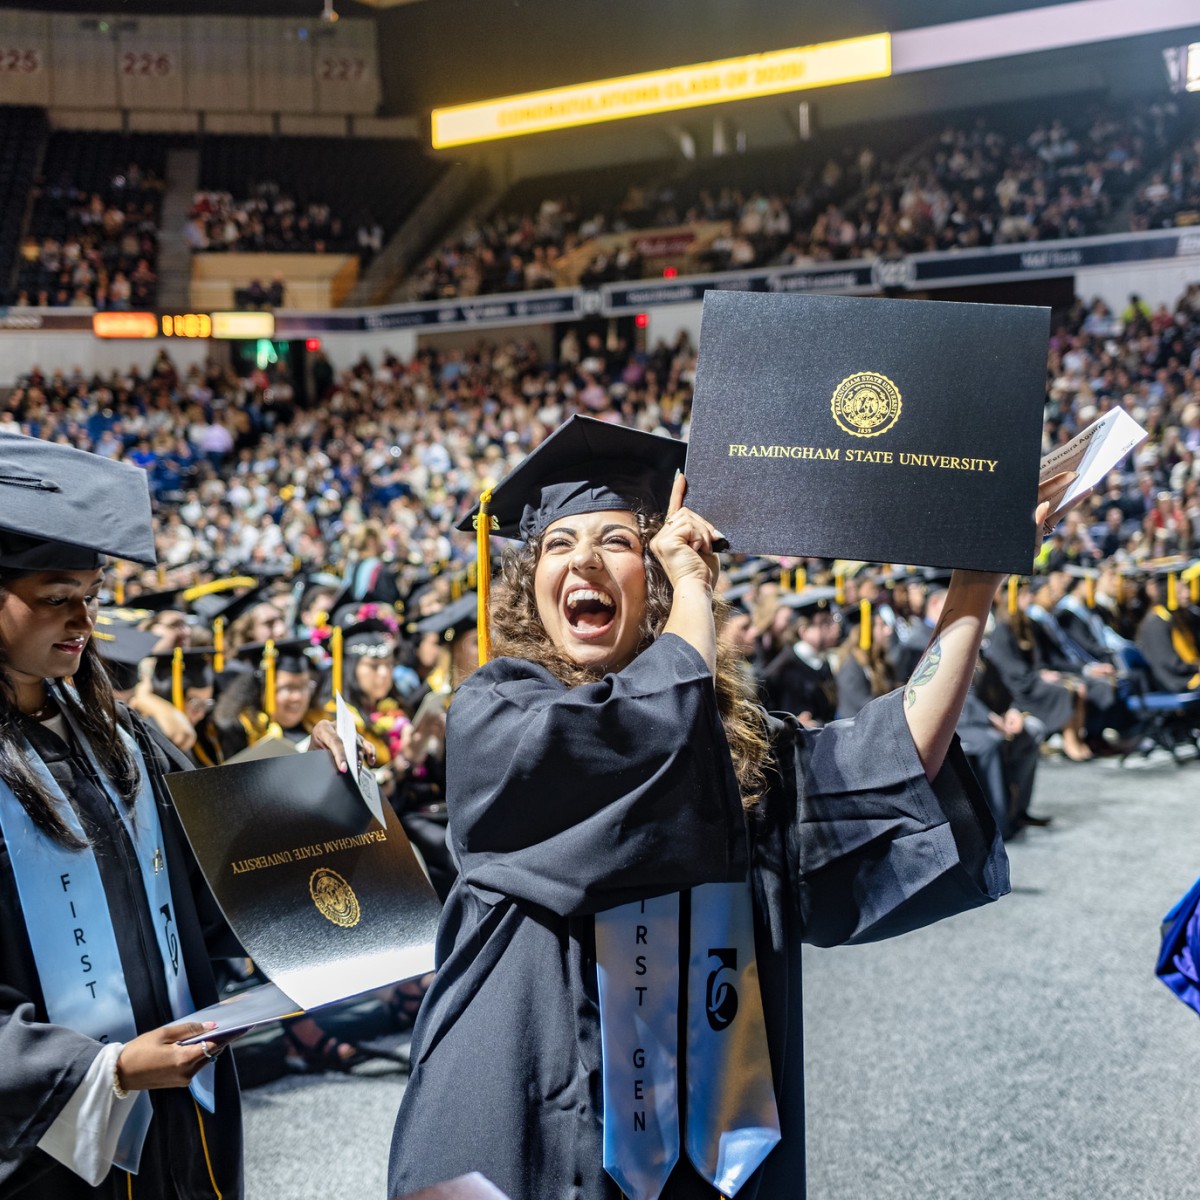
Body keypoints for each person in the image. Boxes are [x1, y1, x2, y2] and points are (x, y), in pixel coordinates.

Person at [388, 415, 1069, 1200]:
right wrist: (695, 595)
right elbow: (634, 735)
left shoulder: (733, 745)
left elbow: (896, 756)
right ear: (529, 583)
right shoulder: (497, 714)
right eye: (558, 545)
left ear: (656, 574)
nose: (583, 561)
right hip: (531, 1105)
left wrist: (974, 582)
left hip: (705, 1123)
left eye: (617, 541)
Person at [0, 432, 363, 1196]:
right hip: (53, 1136)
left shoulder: (121, 737)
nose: (82, 621)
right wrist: (109, 1067)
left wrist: (317, 792)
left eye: (91, 598)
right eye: (56, 596)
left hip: (180, 1102)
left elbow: (212, 876)